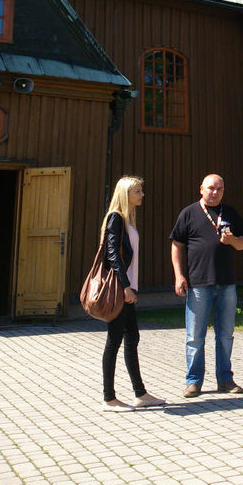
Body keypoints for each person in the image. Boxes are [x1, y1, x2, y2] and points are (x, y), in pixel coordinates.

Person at [170, 173, 243, 397]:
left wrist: (232, 240)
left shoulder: (230, 213)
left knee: (225, 335)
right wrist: (179, 275)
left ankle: (225, 379)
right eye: (211, 188)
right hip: (198, 284)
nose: (215, 192)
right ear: (201, 189)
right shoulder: (189, 213)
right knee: (195, 337)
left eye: (219, 189)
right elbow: (177, 245)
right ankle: (194, 381)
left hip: (226, 284)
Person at [101, 175, 165, 410]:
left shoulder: (126, 219)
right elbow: (112, 254)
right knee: (114, 341)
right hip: (121, 289)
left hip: (126, 288)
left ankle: (140, 394)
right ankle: (109, 398)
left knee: (132, 338)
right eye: (137, 191)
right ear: (125, 194)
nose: (142, 195)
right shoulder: (116, 218)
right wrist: (125, 286)